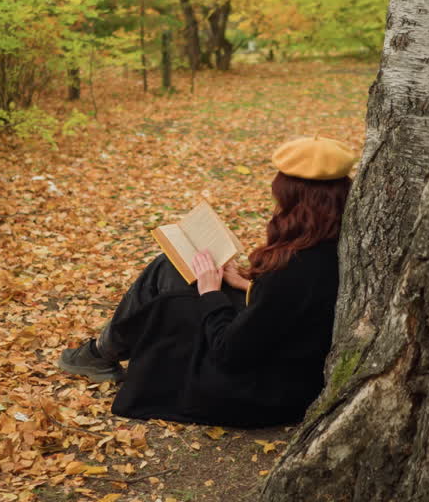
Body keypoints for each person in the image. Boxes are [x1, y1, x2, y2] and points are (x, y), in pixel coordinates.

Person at [57, 135, 356, 428]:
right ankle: (101, 352)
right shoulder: (339, 241)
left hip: (263, 392)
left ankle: (99, 353)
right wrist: (245, 285)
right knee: (172, 267)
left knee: (170, 294)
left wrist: (212, 293)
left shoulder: (296, 266)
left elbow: (229, 353)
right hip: (287, 364)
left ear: (296, 197)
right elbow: (298, 309)